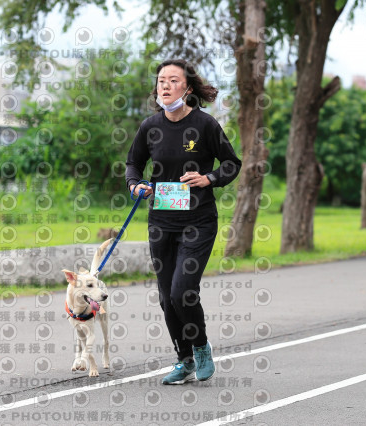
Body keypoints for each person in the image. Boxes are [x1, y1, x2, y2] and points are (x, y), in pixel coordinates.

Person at [125, 59, 242, 384]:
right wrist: (136, 185)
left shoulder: (204, 125)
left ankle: (201, 347)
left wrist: (209, 178)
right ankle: (184, 359)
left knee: (182, 292)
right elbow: (133, 163)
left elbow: (232, 163)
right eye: (161, 80)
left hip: (198, 221)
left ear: (187, 88)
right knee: (166, 297)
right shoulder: (151, 126)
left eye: (172, 80)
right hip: (161, 221)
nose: (164, 85)